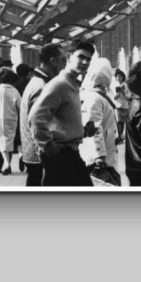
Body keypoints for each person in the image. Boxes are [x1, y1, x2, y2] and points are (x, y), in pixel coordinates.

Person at [28, 40, 95, 187]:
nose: (85, 62)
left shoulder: (72, 84)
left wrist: (82, 130)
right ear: (69, 57)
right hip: (62, 154)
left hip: (68, 152)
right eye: (81, 57)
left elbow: (61, 120)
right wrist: (47, 145)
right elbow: (35, 116)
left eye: (88, 59)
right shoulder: (60, 84)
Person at [19, 44, 67, 186]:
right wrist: (51, 149)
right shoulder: (42, 87)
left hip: (34, 153)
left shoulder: (36, 82)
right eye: (63, 60)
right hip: (41, 156)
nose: (66, 64)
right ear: (53, 61)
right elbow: (39, 124)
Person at [81, 58, 121, 186]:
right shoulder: (94, 98)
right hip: (99, 158)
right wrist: (99, 155)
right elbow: (93, 128)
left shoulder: (97, 96)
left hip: (106, 151)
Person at [0, 67, 21, 175]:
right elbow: (20, 106)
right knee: (9, 140)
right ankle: (8, 163)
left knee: (1, 140)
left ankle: (7, 164)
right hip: (11, 118)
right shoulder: (14, 91)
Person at [112, 68, 131, 145]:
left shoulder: (126, 85)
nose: (118, 78)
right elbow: (113, 97)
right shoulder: (114, 84)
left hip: (125, 107)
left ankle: (123, 137)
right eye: (117, 76)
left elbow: (129, 96)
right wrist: (118, 94)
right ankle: (119, 136)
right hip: (117, 107)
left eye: (120, 76)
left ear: (123, 77)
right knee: (119, 122)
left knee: (124, 123)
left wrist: (124, 94)